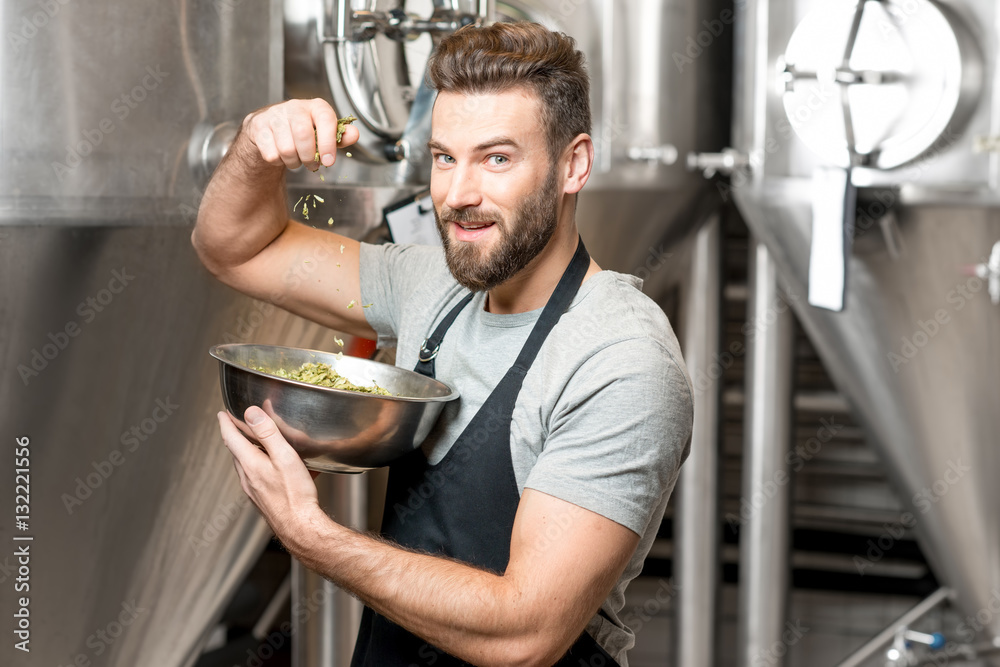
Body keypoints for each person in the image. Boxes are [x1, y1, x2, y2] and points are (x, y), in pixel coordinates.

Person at [192, 21, 693, 667]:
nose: (457, 195)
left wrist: (312, 536)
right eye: (444, 156)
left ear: (574, 165)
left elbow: (525, 632)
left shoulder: (620, 360)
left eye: (497, 158)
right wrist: (257, 150)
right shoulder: (432, 286)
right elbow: (235, 249)